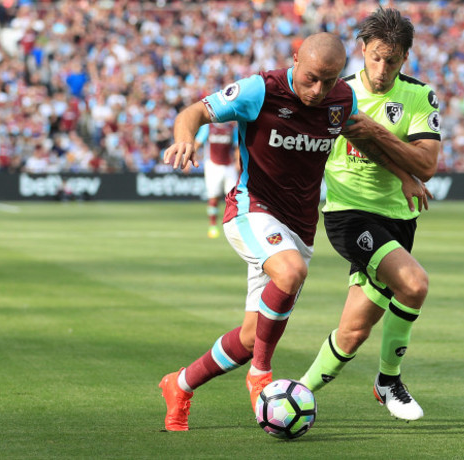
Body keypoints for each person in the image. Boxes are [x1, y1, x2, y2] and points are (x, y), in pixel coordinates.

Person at [157, 32, 367, 432]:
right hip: (252, 209)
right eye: (311, 78)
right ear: (295, 60)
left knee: (253, 336)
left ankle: (179, 385)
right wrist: (184, 140)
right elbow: (194, 113)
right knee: (290, 274)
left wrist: (405, 175)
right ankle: (261, 375)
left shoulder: (343, 100)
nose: (319, 90)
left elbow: (361, 133)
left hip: (301, 226)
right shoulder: (260, 89)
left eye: (330, 80)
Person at [299, 8, 442, 421]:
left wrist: (375, 133)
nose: (382, 69)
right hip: (348, 214)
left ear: (405, 58)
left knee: (354, 331)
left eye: (392, 60)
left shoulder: (419, 96)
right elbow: (374, 146)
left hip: (399, 219)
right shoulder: (338, 93)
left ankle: (294, 393)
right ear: (362, 50)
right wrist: (401, 164)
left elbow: (427, 166)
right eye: (376, 57)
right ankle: (389, 381)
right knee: (414, 284)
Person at [193, 121, 239, 238]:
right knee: (213, 197)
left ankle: (234, 225)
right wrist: (190, 159)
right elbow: (197, 143)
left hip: (229, 165)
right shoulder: (208, 127)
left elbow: (237, 146)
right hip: (212, 165)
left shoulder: (232, 128)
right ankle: (212, 225)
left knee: (234, 197)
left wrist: (238, 161)